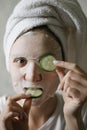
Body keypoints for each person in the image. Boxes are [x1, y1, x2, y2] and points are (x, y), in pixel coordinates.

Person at [0, 0, 87, 130]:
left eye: (47, 62)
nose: (32, 77)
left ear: (63, 66)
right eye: (20, 60)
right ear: (9, 64)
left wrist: (73, 118)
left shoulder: (81, 110)